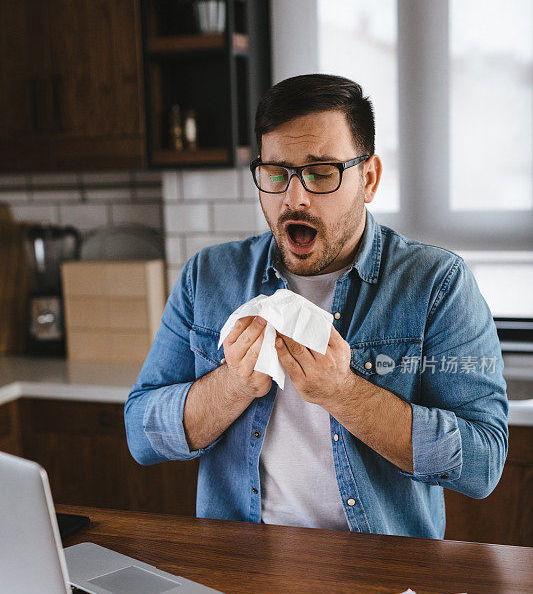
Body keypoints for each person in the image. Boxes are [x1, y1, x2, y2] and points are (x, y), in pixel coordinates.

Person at [125, 74, 508, 538]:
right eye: (276, 173)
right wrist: (232, 385)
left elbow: (483, 463)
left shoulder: (436, 284)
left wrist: (343, 394)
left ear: (369, 179)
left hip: (380, 573)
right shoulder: (208, 277)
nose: (294, 198)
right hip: (240, 566)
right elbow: (141, 435)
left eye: (321, 173)